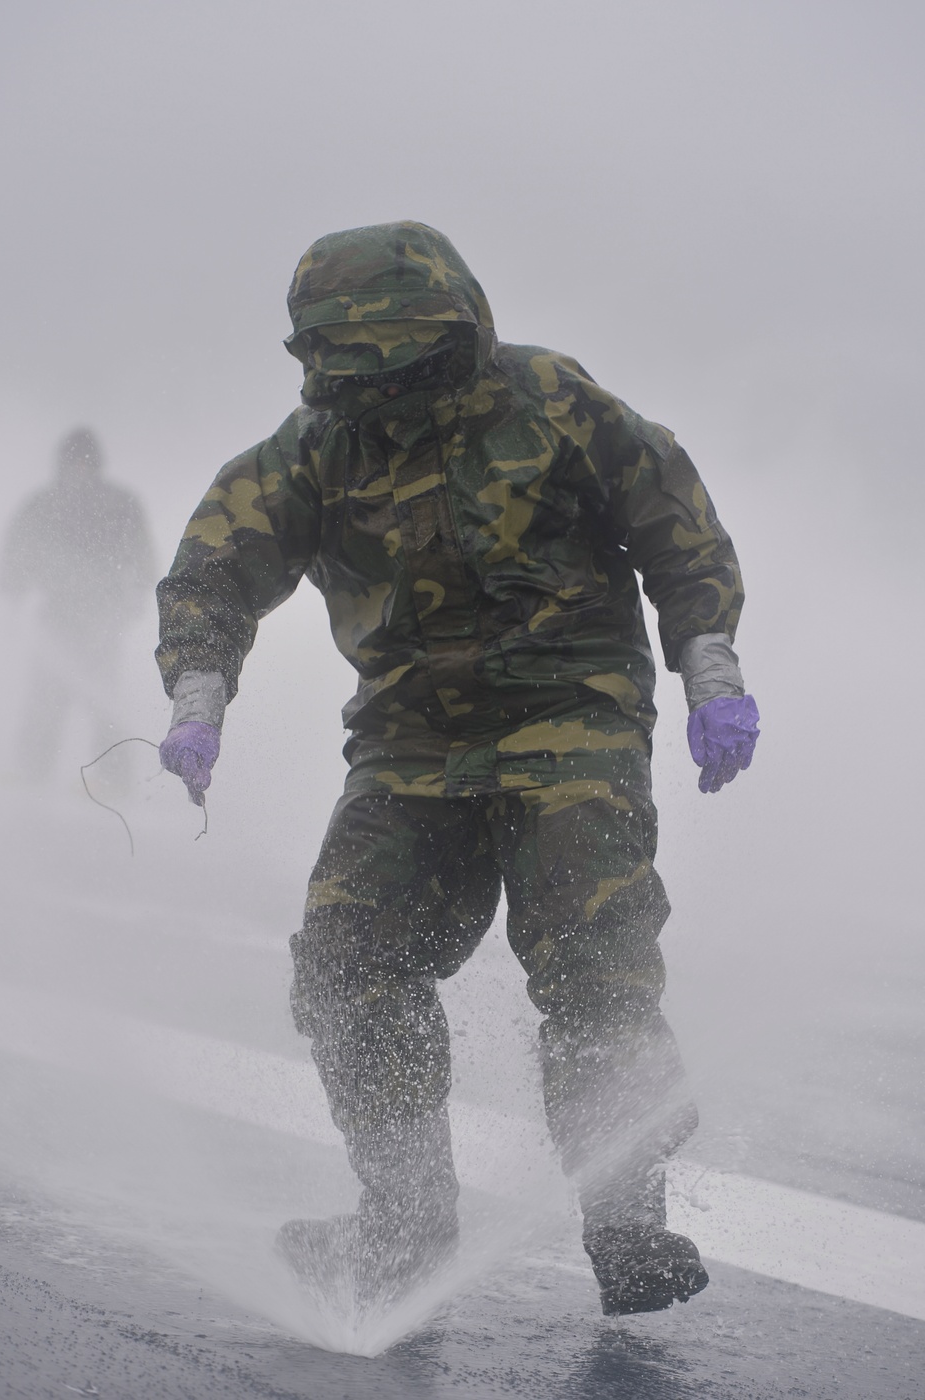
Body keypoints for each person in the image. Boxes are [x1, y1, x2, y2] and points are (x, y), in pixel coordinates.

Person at [155, 222, 760, 1317]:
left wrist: (708, 666)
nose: (390, 391)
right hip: (408, 742)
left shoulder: (550, 399)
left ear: (458, 332)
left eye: (411, 363)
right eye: (361, 371)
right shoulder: (318, 449)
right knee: (347, 958)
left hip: (570, 714)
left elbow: (673, 520)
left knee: (592, 957)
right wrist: (200, 694)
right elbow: (215, 564)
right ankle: (404, 1217)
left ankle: (624, 1212)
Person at [1, 427, 156, 781]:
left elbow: (144, 559)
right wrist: (12, 599)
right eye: (73, 462)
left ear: (97, 464)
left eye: (86, 462)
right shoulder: (43, 505)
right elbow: (17, 554)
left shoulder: (120, 505)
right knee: (44, 697)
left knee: (103, 701)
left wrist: (132, 603)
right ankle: (31, 772)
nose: (79, 469)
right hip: (56, 618)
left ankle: (113, 779)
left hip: (103, 619)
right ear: (61, 464)